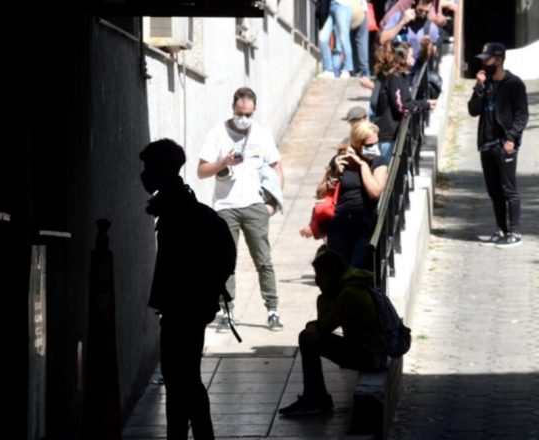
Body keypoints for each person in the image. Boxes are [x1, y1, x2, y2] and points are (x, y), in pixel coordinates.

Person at [139, 139, 237, 440]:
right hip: (189, 305)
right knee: (182, 377)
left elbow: (179, 265)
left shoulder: (177, 210)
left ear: (162, 169)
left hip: (183, 307)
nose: (144, 175)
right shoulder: (180, 204)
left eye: (148, 168)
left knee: (181, 377)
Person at [197, 87, 285, 331]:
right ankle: (227, 311)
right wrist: (223, 163)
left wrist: (273, 204)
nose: (243, 118)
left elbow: (277, 167)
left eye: (248, 114)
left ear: (254, 110)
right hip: (226, 207)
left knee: (263, 260)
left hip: (255, 206)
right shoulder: (217, 134)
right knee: (225, 262)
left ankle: (273, 309)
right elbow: (201, 171)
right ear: (232, 108)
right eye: (239, 113)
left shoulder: (262, 135)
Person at [278, 248, 387, 417]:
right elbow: (323, 324)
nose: (317, 281)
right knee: (310, 333)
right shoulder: (347, 288)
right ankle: (315, 397)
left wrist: (322, 300)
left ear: (330, 276)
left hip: (370, 355)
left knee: (307, 337)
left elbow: (325, 326)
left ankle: (314, 399)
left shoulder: (350, 293)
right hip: (369, 351)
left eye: (319, 276)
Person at [468, 42, 528, 248]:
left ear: (500, 60)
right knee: (494, 191)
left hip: (504, 144)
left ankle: (515, 232)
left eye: (488, 59)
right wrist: (479, 87)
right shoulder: (486, 83)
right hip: (486, 144)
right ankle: (500, 229)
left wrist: (511, 138)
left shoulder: (514, 84)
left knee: (508, 189)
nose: (484, 62)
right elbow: (473, 110)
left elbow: (522, 116)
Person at [299, 106, 370, 240]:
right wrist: (334, 176)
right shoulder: (338, 162)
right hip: (338, 219)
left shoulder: (370, 161)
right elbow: (320, 192)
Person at [324, 122, 388, 269]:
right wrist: (334, 174)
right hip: (340, 223)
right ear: (358, 144)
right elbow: (321, 191)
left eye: (376, 143)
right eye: (369, 144)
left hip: (365, 223)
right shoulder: (341, 160)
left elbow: (375, 192)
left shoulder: (379, 162)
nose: (374, 148)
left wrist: (362, 165)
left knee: (358, 270)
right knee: (338, 272)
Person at [374, 42, 436, 159]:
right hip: (388, 134)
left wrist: (425, 103)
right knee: (384, 170)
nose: (413, 58)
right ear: (402, 58)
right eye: (411, 55)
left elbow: (405, 101)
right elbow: (402, 106)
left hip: (393, 132)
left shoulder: (401, 77)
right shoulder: (394, 78)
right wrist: (424, 104)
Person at [317, 0, 354, 78]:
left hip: (342, 5)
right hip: (331, 6)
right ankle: (328, 69)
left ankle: (347, 69)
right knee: (322, 37)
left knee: (344, 39)